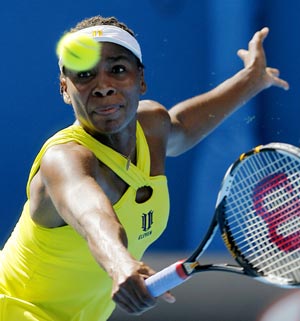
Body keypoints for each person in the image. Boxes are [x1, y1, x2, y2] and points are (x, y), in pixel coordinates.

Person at [0, 15, 289, 321]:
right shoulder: (64, 159)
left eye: (118, 69)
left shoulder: (152, 128)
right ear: (64, 88)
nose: (103, 86)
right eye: (84, 74)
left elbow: (182, 127)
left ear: (140, 79)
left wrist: (251, 79)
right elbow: (93, 218)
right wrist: (121, 263)